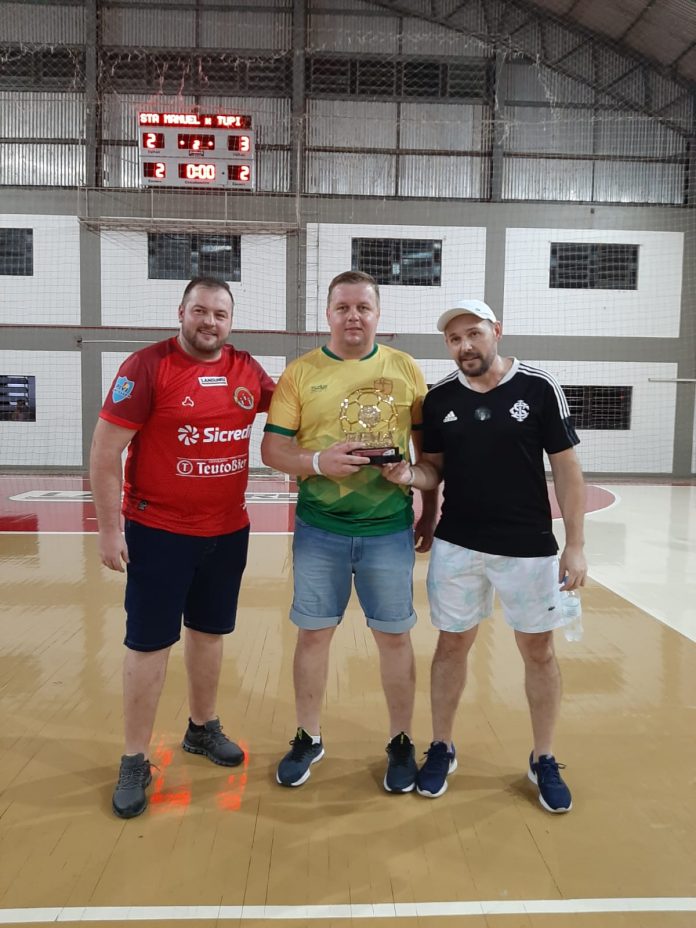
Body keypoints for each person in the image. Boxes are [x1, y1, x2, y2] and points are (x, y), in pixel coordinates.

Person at [384, 298, 587, 813]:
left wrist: (576, 545)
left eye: (473, 334)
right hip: (459, 544)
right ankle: (442, 746)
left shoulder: (538, 387)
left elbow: (567, 470)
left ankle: (543, 757)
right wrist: (410, 478)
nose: (465, 346)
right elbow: (433, 469)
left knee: (538, 651)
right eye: (454, 339)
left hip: (529, 546)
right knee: (451, 645)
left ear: (496, 330)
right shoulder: (438, 399)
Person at [90, 276, 275, 819]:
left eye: (220, 313)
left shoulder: (246, 370)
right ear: (181, 312)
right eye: (200, 311)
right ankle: (134, 757)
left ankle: (201, 727)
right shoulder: (146, 368)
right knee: (149, 644)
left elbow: (299, 405)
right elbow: (104, 452)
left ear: (230, 321)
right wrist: (109, 529)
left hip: (227, 530)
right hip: (159, 532)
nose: (209, 322)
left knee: (209, 633)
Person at [261, 270, 436, 793]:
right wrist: (318, 461)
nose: (353, 316)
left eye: (363, 307)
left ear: (378, 314)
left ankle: (401, 740)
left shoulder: (405, 368)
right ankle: (308, 736)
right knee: (313, 634)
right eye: (343, 307)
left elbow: (429, 456)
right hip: (321, 529)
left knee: (395, 638)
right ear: (328, 314)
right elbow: (272, 450)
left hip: (388, 530)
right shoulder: (300, 373)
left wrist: (427, 507)